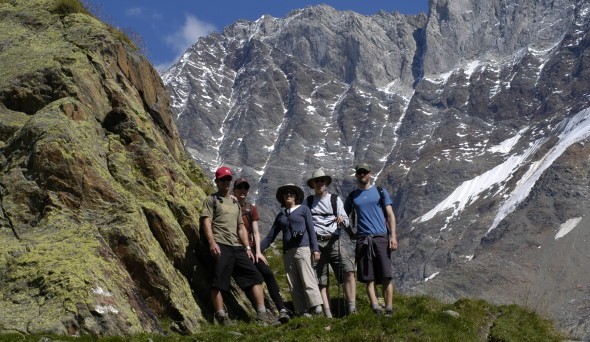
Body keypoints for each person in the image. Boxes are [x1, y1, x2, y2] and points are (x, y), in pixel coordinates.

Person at [200, 166, 279, 326]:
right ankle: (221, 317)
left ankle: (262, 314)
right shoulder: (211, 200)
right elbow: (206, 222)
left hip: (237, 247)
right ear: (217, 181)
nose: (226, 182)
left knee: (255, 277)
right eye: (223, 179)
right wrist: (212, 242)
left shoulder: (235, 203)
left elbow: (241, 227)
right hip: (220, 244)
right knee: (219, 281)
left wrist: (247, 247)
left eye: (228, 179)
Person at [233, 177, 290, 324]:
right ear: (234, 190)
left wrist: (258, 251)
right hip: (238, 248)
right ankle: (262, 312)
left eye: (245, 188)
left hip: (252, 248)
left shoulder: (250, 208)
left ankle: (282, 309)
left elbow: (256, 232)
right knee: (255, 276)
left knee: (268, 274)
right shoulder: (230, 205)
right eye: (240, 187)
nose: (243, 190)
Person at [261, 184, 324, 317]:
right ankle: (302, 311)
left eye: (291, 193)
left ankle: (317, 307)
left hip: (303, 249)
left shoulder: (304, 210)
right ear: (282, 197)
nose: (288, 195)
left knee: (308, 279)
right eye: (286, 194)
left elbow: (311, 230)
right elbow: (271, 236)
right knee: (293, 283)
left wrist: (315, 249)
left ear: (296, 196)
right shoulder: (281, 215)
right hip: (287, 252)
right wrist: (258, 249)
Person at [344, 163, 398, 317]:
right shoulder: (353, 196)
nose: (362, 175)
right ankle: (376, 308)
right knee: (369, 277)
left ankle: (389, 308)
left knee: (386, 275)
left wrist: (393, 236)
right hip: (363, 239)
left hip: (381, 237)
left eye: (364, 172)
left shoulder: (380, 192)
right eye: (359, 173)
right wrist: (350, 233)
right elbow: (343, 216)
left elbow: (390, 215)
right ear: (356, 175)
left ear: (370, 173)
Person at [305, 169, 357, 318]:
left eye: (322, 181)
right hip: (316, 244)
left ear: (326, 183)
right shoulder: (308, 202)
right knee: (321, 279)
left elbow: (346, 219)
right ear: (313, 184)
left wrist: (342, 219)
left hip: (334, 241)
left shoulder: (335, 200)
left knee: (348, 271)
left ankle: (351, 308)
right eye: (317, 181)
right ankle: (328, 314)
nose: (320, 183)